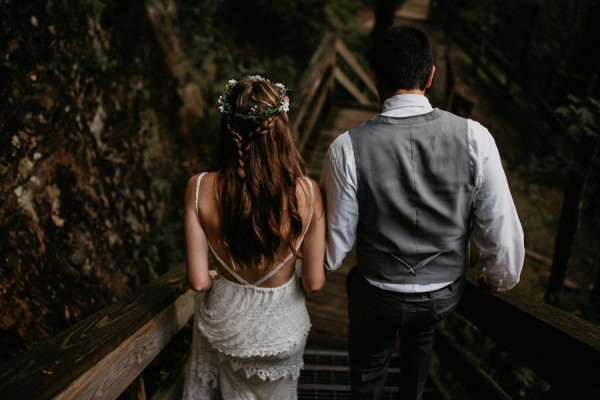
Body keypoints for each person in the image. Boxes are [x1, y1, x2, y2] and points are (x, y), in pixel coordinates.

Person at [321, 25, 525, 399]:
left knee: (367, 370)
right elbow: (500, 228)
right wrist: (498, 280)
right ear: (431, 75)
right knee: (421, 337)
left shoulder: (346, 148)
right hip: (443, 292)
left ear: (374, 77)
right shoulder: (475, 137)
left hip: (378, 295)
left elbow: (334, 251)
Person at [182, 75, 326, 399]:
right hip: (282, 330)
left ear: (228, 128)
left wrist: (216, 275)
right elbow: (315, 283)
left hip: (225, 327)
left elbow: (198, 282)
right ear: (281, 128)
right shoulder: (308, 192)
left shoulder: (199, 188)